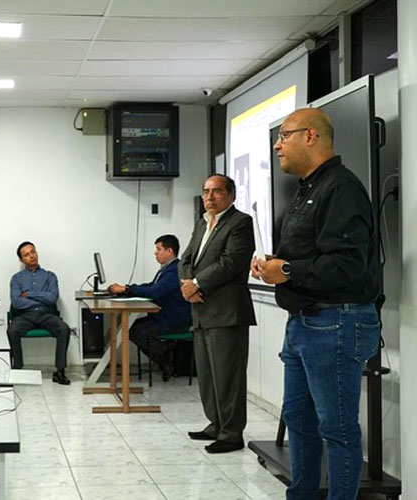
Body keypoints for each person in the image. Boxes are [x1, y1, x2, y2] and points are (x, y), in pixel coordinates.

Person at [252, 108, 380, 499]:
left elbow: (346, 266)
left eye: (284, 136)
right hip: (305, 322)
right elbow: (312, 254)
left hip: (335, 322)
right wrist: (274, 265)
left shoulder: (341, 188)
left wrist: (287, 269)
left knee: (337, 429)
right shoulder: (308, 187)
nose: (277, 146)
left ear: (311, 136)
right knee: (299, 420)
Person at [179, 174, 256, 454]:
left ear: (231, 196)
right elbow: (186, 259)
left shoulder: (240, 223)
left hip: (227, 312)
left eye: (217, 192)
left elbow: (231, 262)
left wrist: (196, 284)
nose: (210, 197)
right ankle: (216, 424)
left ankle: (232, 434)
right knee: (209, 376)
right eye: (206, 192)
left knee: (228, 377)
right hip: (201, 310)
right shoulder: (202, 223)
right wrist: (187, 285)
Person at [108, 234, 191, 381]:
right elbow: (152, 286)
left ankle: (165, 355)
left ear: (169, 251)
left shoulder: (175, 271)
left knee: (134, 332)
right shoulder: (166, 269)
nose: (155, 253)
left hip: (174, 320)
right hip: (163, 316)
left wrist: (127, 289)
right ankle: (164, 358)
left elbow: (155, 292)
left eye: (158, 249)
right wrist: (128, 289)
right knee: (129, 329)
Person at [8, 242, 71, 385]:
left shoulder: (50, 276)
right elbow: (16, 302)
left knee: (64, 329)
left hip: (47, 315)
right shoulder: (16, 278)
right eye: (27, 255)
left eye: (33, 252)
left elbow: (53, 298)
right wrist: (41, 299)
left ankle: (60, 371)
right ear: (21, 260)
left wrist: (29, 294)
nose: (31, 256)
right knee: (12, 330)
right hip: (25, 316)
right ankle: (18, 369)